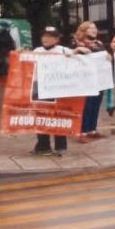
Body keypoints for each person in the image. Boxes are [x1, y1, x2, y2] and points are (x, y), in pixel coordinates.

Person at [32, 26, 90, 156]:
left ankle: (60, 146)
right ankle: (43, 145)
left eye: (50, 36)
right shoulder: (37, 51)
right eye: (44, 36)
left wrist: (79, 50)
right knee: (42, 117)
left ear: (57, 39)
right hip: (41, 89)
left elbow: (83, 58)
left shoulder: (64, 50)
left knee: (59, 116)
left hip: (59, 90)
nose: (46, 39)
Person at [72, 21, 107, 143]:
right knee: (85, 105)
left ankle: (92, 129)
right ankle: (82, 131)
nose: (94, 30)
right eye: (90, 28)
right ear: (84, 30)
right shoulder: (76, 43)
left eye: (95, 28)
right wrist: (76, 50)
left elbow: (105, 58)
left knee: (96, 103)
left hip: (98, 79)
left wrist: (108, 56)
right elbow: (68, 57)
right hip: (84, 80)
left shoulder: (99, 43)